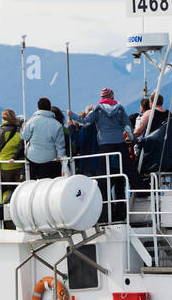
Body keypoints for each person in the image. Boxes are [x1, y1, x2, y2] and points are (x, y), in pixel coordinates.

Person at [71, 88, 133, 217]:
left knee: (102, 185)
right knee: (121, 182)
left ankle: (104, 214)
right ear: (112, 95)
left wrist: (71, 118)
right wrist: (132, 138)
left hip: (98, 157)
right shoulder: (119, 109)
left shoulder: (97, 113)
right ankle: (122, 212)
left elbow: (81, 137)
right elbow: (127, 126)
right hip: (118, 154)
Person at [21, 96, 66, 179]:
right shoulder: (57, 125)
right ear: (49, 108)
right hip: (50, 159)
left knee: (33, 182)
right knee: (49, 182)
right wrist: (61, 157)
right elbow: (60, 145)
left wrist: (22, 128)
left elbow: (25, 136)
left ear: (38, 108)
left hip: (32, 158)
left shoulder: (31, 121)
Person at [0, 108, 25, 202]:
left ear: (3, 118)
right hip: (19, 164)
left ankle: (6, 203)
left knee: (5, 188)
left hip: (4, 165)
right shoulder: (20, 131)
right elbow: (23, 146)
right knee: (19, 188)